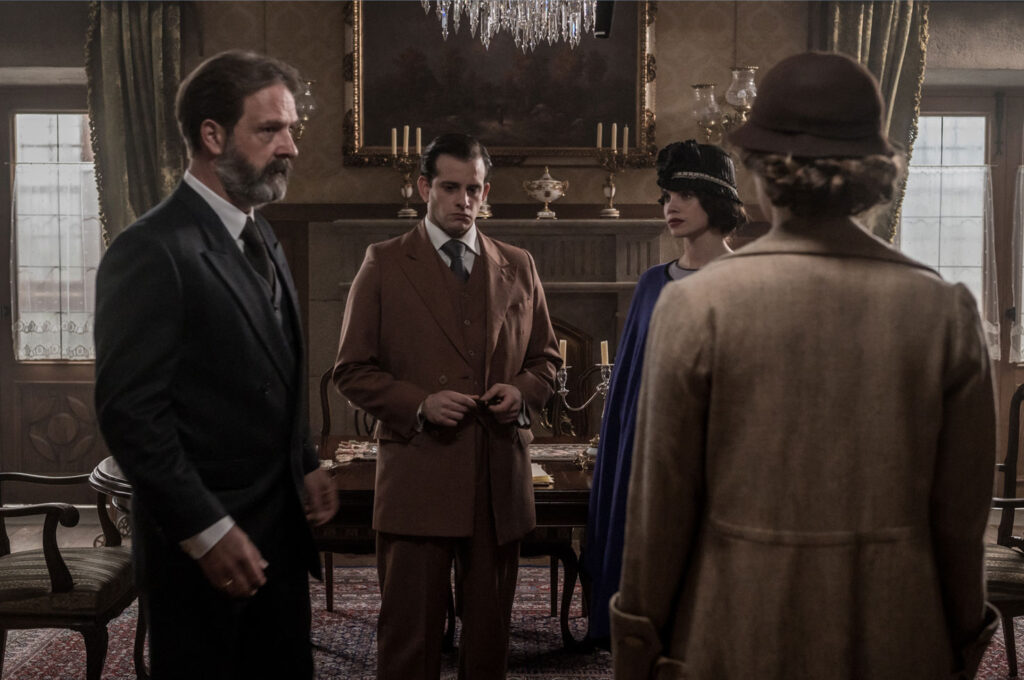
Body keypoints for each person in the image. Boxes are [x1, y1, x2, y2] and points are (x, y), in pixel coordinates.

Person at [610, 51, 998, 679]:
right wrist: (958, 641)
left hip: (739, 626)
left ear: (761, 172)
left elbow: (660, 513)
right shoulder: (944, 310)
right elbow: (961, 522)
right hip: (898, 629)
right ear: (877, 173)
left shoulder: (697, 303)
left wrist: (639, 644)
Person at [94, 50, 338, 679]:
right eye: (270, 130)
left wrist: (305, 461)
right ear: (212, 135)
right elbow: (132, 417)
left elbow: (274, 368)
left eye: (290, 130)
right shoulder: (149, 250)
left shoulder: (263, 233)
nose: (290, 148)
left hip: (278, 533)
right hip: (203, 553)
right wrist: (206, 530)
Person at [333, 133, 561, 680]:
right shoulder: (385, 262)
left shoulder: (518, 264)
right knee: (409, 640)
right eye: (450, 187)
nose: (464, 200)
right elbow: (352, 370)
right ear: (424, 188)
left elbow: (547, 360)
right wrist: (421, 404)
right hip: (419, 473)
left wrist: (522, 392)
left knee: (489, 643)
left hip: (497, 478)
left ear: (487, 192)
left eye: (474, 189)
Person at [583, 140, 746, 644]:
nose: (670, 207)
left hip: (717, 452)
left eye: (684, 195)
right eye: (666, 197)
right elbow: (631, 384)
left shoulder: (746, 280)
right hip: (649, 448)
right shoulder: (653, 282)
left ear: (715, 200)